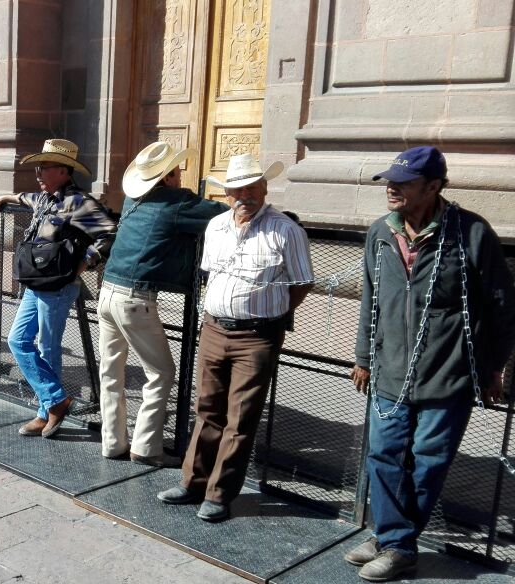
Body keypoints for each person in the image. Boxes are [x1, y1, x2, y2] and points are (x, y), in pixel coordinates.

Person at [346, 146, 515, 582]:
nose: (391, 188)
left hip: (449, 371)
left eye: (403, 182)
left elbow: (501, 307)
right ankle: (395, 539)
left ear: (434, 186)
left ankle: (394, 541)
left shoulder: (470, 232)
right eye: (389, 180)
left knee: (428, 460)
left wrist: (495, 368)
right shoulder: (380, 233)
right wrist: (364, 356)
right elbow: (371, 299)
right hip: (389, 368)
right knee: (382, 455)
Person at [157, 153, 313, 522]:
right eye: (236, 189)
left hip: (256, 337)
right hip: (213, 329)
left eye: (252, 187)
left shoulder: (285, 230)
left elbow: (302, 282)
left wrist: (268, 312)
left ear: (264, 188)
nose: (245, 195)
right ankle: (193, 483)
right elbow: (213, 275)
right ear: (226, 193)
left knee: (240, 419)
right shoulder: (216, 226)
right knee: (207, 409)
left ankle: (219, 494)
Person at [99, 142, 228, 465]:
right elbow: (223, 215)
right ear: (169, 176)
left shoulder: (133, 199)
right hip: (134, 298)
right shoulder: (178, 203)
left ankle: (113, 443)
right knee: (161, 373)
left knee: (110, 372)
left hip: (108, 291)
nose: (181, 175)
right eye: (178, 171)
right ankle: (145, 447)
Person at [0, 139, 116, 438]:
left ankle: (47, 411)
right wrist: (6, 196)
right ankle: (56, 401)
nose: (39, 174)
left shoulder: (79, 202)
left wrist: (86, 262)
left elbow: (110, 233)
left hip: (59, 286)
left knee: (47, 347)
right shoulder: (46, 198)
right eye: (38, 168)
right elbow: (27, 197)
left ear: (63, 170)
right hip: (36, 284)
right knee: (18, 341)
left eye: (44, 168)